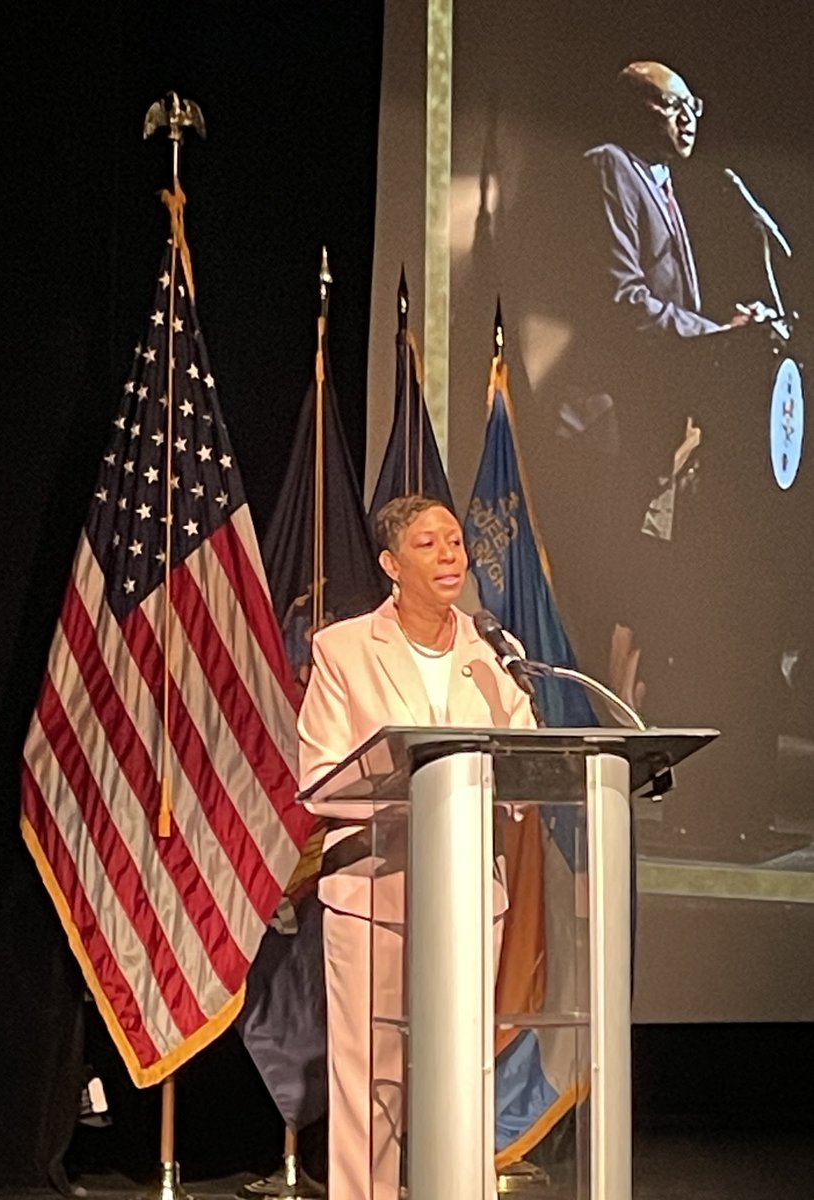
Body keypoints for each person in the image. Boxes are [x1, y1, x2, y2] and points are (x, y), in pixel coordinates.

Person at [296, 493, 537, 1200]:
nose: (450, 556)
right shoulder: (342, 650)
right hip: (375, 889)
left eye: (456, 542)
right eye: (429, 545)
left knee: (463, 1064)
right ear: (390, 564)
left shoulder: (493, 651)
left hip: (467, 891)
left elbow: (524, 766)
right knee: (370, 1068)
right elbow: (320, 784)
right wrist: (416, 788)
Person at [537, 59, 774, 708]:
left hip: (648, 436)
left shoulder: (663, 181)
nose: (689, 117)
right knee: (597, 602)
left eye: (693, 104)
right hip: (602, 433)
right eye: (672, 105)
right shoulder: (609, 166)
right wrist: (712, 334)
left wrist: (723, 329)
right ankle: (581, 752)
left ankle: (623, 751)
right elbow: (621, 300)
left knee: (635, 609)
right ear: (633, 109)